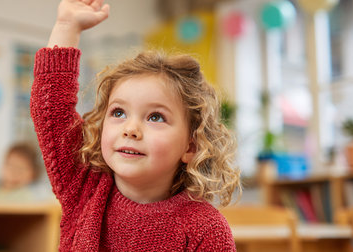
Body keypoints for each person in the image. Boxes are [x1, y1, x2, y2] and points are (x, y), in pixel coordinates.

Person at [30, 0, 241, 250]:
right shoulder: (83, 188)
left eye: (155, 117)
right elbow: (51, 109)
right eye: (118, 112)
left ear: (191, 146)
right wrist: (67, 26)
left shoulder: (206, 228)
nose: (130, 129)